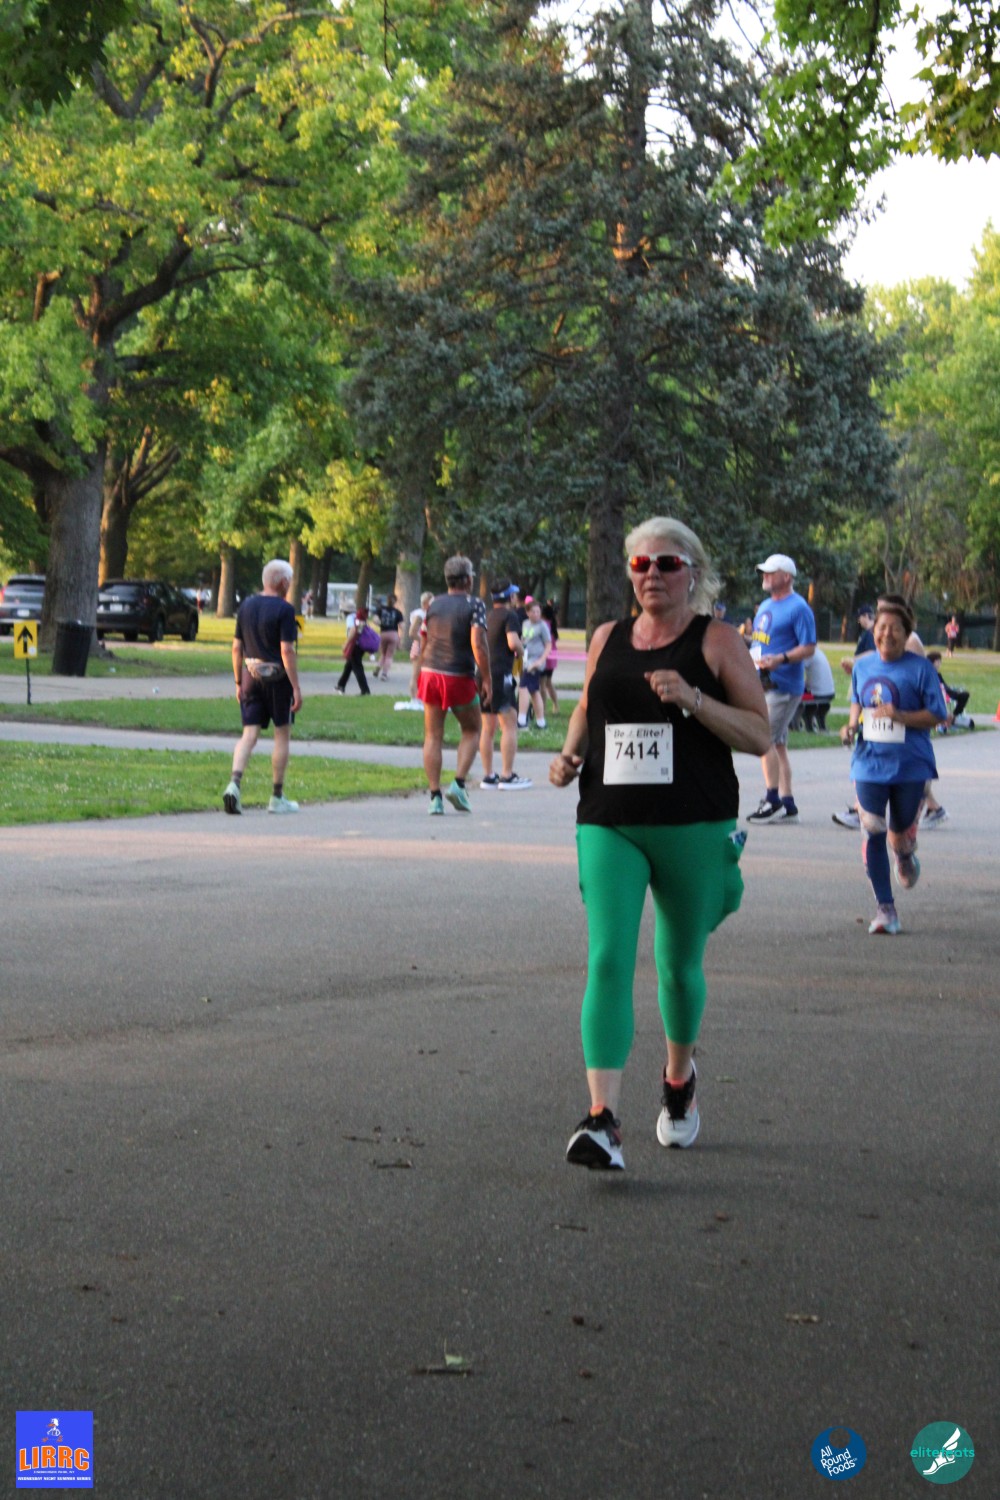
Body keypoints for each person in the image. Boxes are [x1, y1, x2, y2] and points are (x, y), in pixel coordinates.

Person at [549, 517, 769, 1172]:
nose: (651, 574)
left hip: (692, 824)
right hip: (610, 819)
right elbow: (587, 707)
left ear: (692, 574)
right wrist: (568, 754)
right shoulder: (607, 637)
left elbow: (759, 734)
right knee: (608, 958)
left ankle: (678, 1080)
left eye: (667, 563)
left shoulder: (717, 641)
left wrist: (694, 699)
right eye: (640, 564)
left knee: (677, 967)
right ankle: (602, 1119)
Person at [839, 594, 948, 935]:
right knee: (872, 827)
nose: (886, 634)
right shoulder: (863, 667)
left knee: (898, 835)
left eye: (895, 628)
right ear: (873, 632)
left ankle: (904, 853)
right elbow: (857, 701)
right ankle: (885, 909)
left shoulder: (921, 669)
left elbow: (938, 714)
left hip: (910, 764)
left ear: (906, 633)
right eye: (881, 627)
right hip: (868, 761)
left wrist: (900, 716)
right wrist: (851, 725)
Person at [223, 559, 303, 815]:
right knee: (282, 734)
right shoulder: (285, 610)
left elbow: (236, 647)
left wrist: (238, 681)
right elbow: (287, 650)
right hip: (278, 680)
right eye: (289, 581)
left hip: (250, 675)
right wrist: (296, 687)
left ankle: (234, 784)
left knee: (249, 735)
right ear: (283, 582)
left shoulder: (246, 606)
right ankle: (277, 797)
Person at [746, 553, 816, 824]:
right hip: (763, 682)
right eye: (764, 571)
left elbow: (808, 647)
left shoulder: (799, 608)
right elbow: (761, 641)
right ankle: (788, 804)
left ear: (787, 577)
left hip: (783, 685)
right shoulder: (765, 605)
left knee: (763, 739)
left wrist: (781, 659)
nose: (764, 576)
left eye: (770, 572)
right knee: (778, 745)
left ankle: (772, 800)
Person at [418, 555, 492, 814]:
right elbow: (478, 644)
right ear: (469, 580)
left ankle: (434, 798)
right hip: (458, 674)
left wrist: (420, 671)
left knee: (432, 735)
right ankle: (458, 784)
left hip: (430, 672)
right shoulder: (475, 604)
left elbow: (423, 640)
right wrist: (486, 678)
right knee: (472, 729)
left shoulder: (434, 604)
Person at [479, 582, 530, 789]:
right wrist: (522, 651)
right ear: (510, 597)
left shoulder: (487, 616)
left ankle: (488, 775)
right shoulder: (510, 616)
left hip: (483, 674)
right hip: (502, 675)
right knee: (509, 724)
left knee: (487, 727)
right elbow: (512, 643)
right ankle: (507, 776)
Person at [517, 599, 551, 730]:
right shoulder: (525, 624)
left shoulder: (542, 626)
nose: (536, 614)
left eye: (538, 611)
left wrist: (540, 661)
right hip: (525, 660)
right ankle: (541, 722)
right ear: (527, 612)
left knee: (523, 688)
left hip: (535, 662)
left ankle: (522, 720)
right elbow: (524, 639)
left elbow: (548, 645)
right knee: (534, 691)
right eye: (533, 611)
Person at [335, 605, 374, 695]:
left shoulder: (352, 618)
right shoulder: (362, 619)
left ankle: (365, 690)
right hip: (361, 645)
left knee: (357, 668)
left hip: (354, 646)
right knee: (348, 666)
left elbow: (353, 631)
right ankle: (341, 685)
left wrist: (346, 644)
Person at [405, 591, 433, 707]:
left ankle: (421, 697)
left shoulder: (425, 614)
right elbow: (412, 632)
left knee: (423, 674)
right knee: (416, 674)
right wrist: (424, 640)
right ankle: (414, 699)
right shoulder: (420, 615)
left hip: (424, 646)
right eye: (431, 602)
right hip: (420, 646)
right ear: (425, 602)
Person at [375, 592, 404, 681]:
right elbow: (402, 626)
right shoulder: (398, 612)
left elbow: (375, 620)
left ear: (386, 600)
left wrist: (382, 624)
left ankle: (378, 666)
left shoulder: (380, 609)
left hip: (383, 634)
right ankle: (384, 674)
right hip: (393, 635)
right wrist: (400, 638)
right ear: (395, 601)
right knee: (389, 656)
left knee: (383, 654)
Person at [539, 600, 560, 717]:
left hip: (544, 658)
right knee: (548, 683)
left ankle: (543, 708)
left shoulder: (543, 625)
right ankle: (555, 705)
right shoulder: (552, 625)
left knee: (542, 684)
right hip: (552, 659)